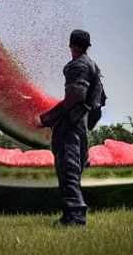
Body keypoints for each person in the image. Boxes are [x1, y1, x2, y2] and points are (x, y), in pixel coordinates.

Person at [37, 29, 100, 228]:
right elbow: (99, 100)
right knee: (74, 168)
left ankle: (74, 216)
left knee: (68, 169)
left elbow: (75, 97)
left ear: (73, 45)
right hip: (80, 124)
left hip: (71, 125)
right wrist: (89, 122)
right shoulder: (93, 66)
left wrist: (47, 118)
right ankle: (73, 214)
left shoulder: (77, 65)